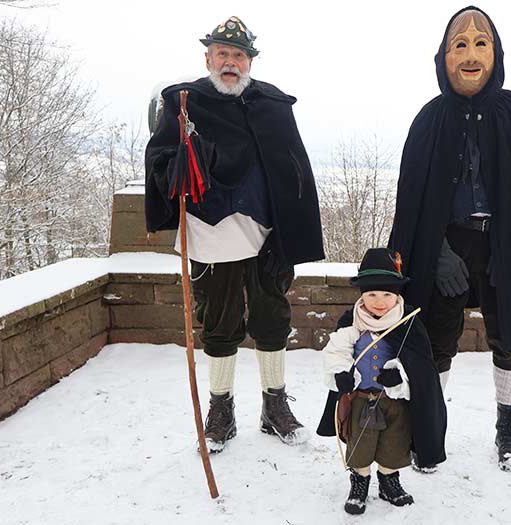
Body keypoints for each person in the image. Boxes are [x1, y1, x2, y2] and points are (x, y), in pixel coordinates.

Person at [144, 16, 324, 453]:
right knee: (220, 323)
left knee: (272, 318)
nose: (230, 62)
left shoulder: (273, 104)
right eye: (222, 54)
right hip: (210, 231)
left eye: (238, 55)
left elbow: (295, 167)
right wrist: (177, 166)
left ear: (249, 62)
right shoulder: (184, 102)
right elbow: (159, 160)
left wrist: (293, 232)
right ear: (208, 58)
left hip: (266, 232)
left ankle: (274, 406)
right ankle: (221, 410)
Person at [389, 6, 511, 471]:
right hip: (446, 245)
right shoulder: (429, 119)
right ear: (442, 58)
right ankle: (430, 429)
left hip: (506, 244)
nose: (470, 54)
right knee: (436, 339)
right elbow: (413, 201)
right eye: (458, 45)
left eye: (481, 44)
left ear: (496, 54)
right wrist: (437, 252)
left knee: (510, 338)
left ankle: (507, 427)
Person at [316, 248, 446, 515]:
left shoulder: (408, 323)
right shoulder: (351, 322)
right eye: (372, 294)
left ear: (397, 294)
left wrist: (401, 375)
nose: (379, 301)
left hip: (394, 402)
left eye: (387, 295)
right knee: (360, 446)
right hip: (361, 400)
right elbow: (336, 351)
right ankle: (359, 484)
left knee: (394, 444)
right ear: (361, 294)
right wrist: (341, 372)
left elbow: (422, 367)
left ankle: (389, 482)